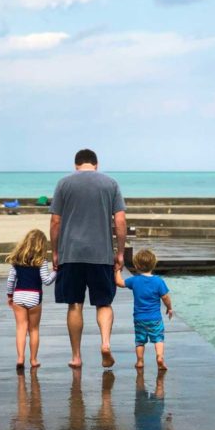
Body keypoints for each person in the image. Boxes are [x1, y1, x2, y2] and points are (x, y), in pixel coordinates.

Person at [50, 148, 127, 369]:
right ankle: (105, 343)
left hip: (71, 254)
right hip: (101, 254)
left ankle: (76, 356)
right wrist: (120, 252)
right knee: (104, 303)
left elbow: (55, 222)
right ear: (96, 164)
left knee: (75, 304)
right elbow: (120, 221)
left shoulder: (64, 184)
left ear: (76, 165)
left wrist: (55, 251)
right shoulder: (110, 184)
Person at [5, 229, 56, 371]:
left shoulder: (17, 260)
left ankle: (20, 358)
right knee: (33, 330)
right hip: (34, 296)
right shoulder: (42, 261)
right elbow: (46, 281)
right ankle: (33, 360)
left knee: (21, 328)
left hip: (19, 295)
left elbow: (10, 280)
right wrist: (56, 272)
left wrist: (10, 295)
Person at [115, 247, 173, 370]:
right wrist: (169, 308)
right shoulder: (158, 281)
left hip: (139, 318)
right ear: (153, 264)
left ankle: (140, 361)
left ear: (136, 265)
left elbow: (119, 283)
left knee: (140, 341)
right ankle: (159, 357)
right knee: (158, 338)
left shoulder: (135, 280)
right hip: (155, 318)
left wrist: (118, 270)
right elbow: (165, 297)